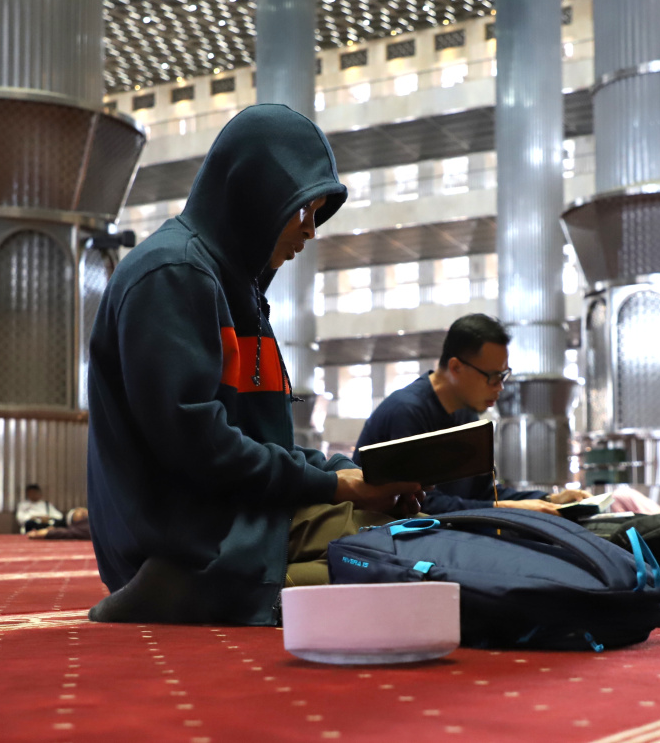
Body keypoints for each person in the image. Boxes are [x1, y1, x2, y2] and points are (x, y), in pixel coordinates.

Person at [86, 104, 421, 626]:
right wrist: (338, 487)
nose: (310, 232)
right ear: (255, 195)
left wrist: (347, 475)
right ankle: (188, 584)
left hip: (241, 519)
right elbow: (201, 449)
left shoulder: (233, 289)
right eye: (302, 211)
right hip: (196, 536)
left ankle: (207, 589)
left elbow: (262, 447)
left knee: (404, 535)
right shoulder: (172, 274)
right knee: (409, 559)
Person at [353, 313, 588, 515]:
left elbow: (484, 493)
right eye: (493, 377)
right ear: (456, 367)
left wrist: (548, 499)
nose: (500, 387)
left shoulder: (465, 414)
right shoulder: (407, 412)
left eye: (503, 376)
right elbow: (421, 507)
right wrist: (510, 509)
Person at [27, 507, 91, 540]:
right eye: (77, 512)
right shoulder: (78, 529)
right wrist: (37, 533)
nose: (82, 510)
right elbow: (59, 532)